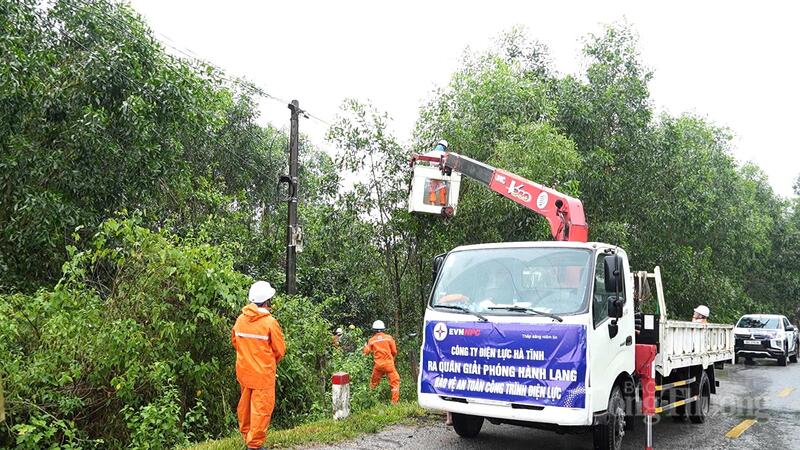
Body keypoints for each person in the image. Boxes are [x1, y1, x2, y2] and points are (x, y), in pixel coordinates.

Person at [232, 281, 286, 450]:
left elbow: (235, 342)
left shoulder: (240, 319)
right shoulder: (270, 322)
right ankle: (254, 445)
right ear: (267, 301)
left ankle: (247, 438)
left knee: (245, 408)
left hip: (244, 372)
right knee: (261, 410)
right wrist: (267, 362)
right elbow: (280, 350)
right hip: (263, 375)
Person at [363, 320, 400, 404]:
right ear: (383, 329)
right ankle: (394, 402)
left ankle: (371, 400)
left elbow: (365, 352)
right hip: (389, 365)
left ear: (374, 330)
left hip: (378, 366)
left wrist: (365, 346)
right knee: (395, 382)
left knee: (373, 383)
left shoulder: (371, 340)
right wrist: (392, 359)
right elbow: (394, 351)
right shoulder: (389, 338)